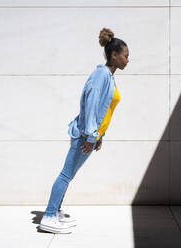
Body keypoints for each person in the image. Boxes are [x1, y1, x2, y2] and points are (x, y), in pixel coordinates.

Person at [39, 27, 129, 234]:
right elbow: (91, 105)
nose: (127, 60)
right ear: (114, 55)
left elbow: (103, 112)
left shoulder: (108, 76)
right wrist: (90, 135)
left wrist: (99, 136)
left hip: (90, 136)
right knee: (65, 174)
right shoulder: (101, 75)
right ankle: (49, 216)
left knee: (68, 175)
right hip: (83, 136)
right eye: (125, 56)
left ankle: (55, 211)